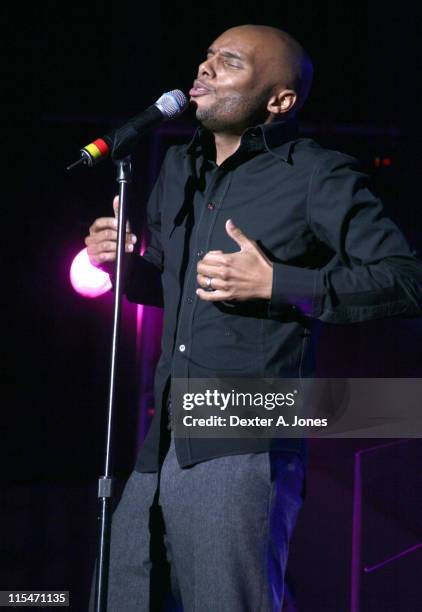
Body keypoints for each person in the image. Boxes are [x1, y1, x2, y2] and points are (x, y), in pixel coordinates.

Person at [85, 24, 422, 611]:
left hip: (243, 430)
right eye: (207, 56)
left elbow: (405, 277)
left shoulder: (317, 173)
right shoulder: (176, 169)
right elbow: (173, 285)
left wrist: (278, 284)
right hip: (160, 437)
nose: (206, 68)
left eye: (230, 62)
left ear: (279, 100)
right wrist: (124, 263)